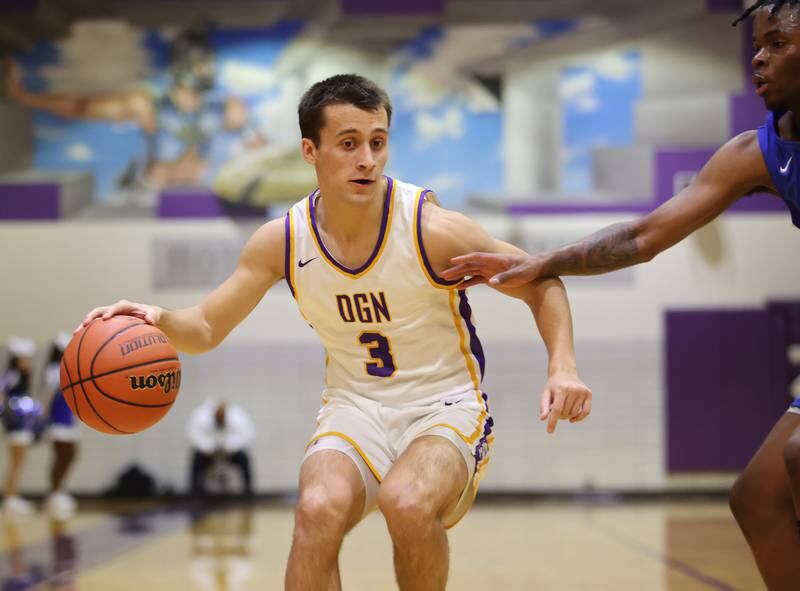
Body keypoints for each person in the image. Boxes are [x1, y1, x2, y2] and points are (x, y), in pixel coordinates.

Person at [78, 74, 592, 591]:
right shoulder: (282, 241)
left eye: (377, 141)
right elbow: (207, 327)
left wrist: (563, 366)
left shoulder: (431, 230)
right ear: (311, 150)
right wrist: (156, 318)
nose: (367, 158)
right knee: (317, 508)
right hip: (355, 407)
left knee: (406, 502)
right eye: (348, 144)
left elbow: (540, 279)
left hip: (444, 405)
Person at [441, 2, 800, 588]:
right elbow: (641, 236)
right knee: (757, 498)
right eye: (757, 44)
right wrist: (539, 262)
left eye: (778, 44)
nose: (758, 57)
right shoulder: (756, 153)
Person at [1, 337, 42, 518]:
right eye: (25, 359)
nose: (28, 362)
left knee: (19, 461)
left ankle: (13, 496)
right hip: (15, 426)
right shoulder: (11, 376)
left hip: (23, 425)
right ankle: (10, 498)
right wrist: (10, 412)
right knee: (16, 463)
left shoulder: (21, 378)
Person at [43, 333, 80, 520]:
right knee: (61, 457)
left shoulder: (67, 369)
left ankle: (59, 492)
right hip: (57, 421)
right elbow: (49, 398)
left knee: (70, 456)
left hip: (69, 420)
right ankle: (54, 494)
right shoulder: (53, 371)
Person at [187, 399, 255, 497]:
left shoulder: (237, 416)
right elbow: (193, 433)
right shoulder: (201, 416)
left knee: (244, 458)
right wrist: (208, 447)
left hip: (230, 451)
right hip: (208, 452)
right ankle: (194, 492)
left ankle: (248, 492)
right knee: (196, 459)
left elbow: (248, 434)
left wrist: (230, 447)